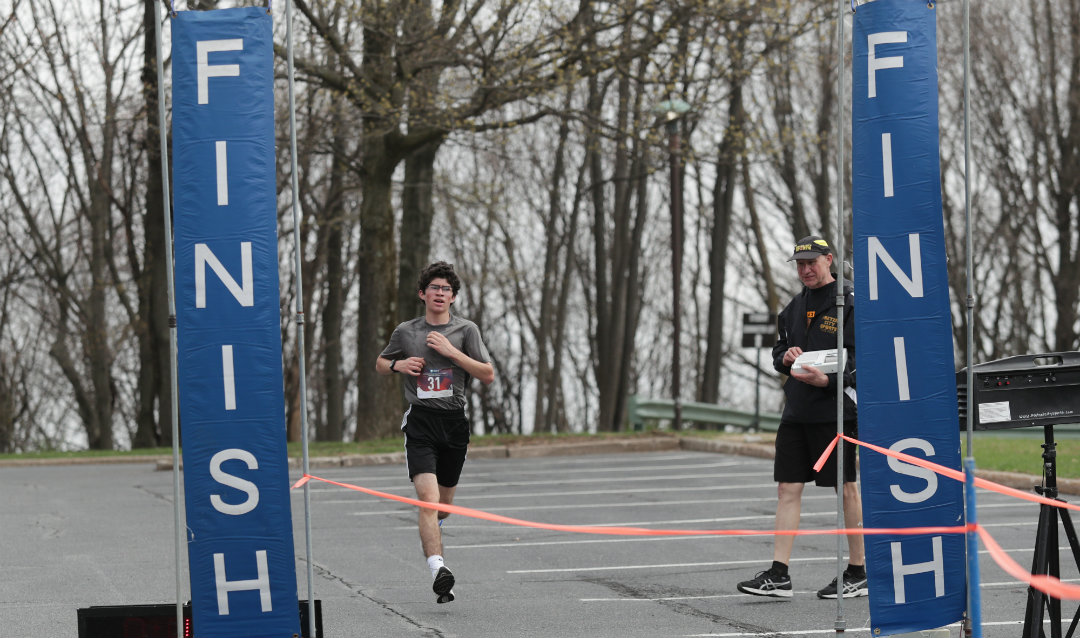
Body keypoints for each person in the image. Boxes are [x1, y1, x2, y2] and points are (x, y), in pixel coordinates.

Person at [736, 235, 866, 600]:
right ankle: (779, 575)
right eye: (800, 264)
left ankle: (858, 571)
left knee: (846, 487)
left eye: (812, 262)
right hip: (796, 410)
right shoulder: (794, 306)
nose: (806, 270)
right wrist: (786, 357)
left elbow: (865, 359)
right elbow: (778, 351)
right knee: (787, 488)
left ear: (829, 260)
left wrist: (831, 380)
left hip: (836, 409)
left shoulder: (850, 301)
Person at [376, 261, 495, 604]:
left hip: (454, 423)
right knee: (427, 501)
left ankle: (436, 531)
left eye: (446, 289)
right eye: (435, 288)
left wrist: (451, 352)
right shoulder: (406, 332)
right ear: (422, 294)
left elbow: (487, 374)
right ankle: (438, 568)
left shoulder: (466, 330)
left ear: (453, 297)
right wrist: (399, 365)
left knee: (443, 509)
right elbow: (381, 363)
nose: (440, 294)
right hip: (421, 423)